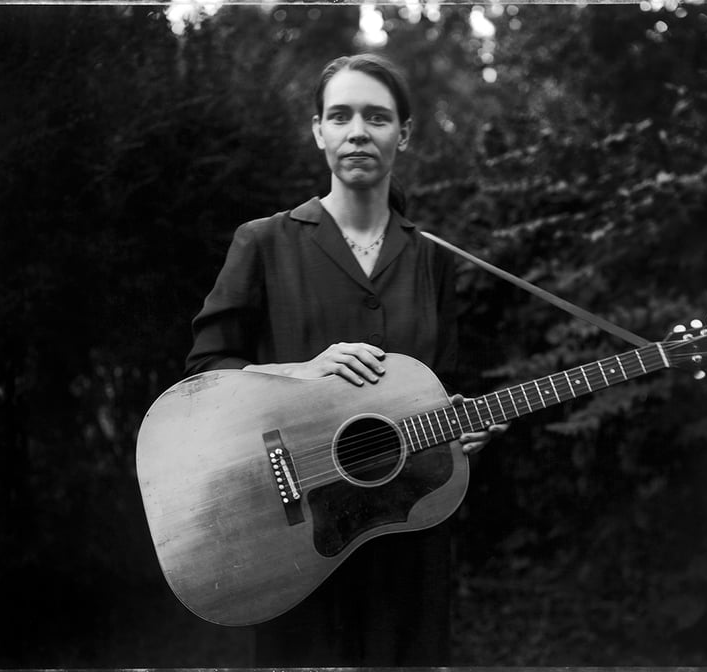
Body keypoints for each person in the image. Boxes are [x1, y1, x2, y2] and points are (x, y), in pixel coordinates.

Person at [184, 53, 506, 667]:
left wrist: (461, 430)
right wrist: (301, 370)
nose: (358, 130)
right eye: (341, 115)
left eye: (377, 117)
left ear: (403, 134)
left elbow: (438, 388)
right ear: (319, 131)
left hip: (406, 537)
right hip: (295, 541)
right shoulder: (263, 242)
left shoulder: (434, 259)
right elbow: (203, 374)